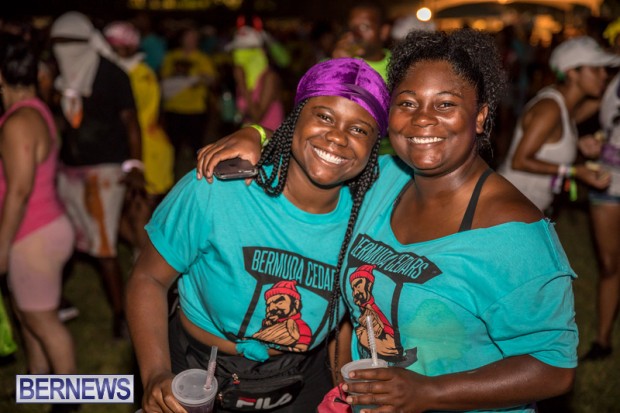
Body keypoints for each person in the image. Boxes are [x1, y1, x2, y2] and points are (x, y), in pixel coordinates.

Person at [198, 28, 580, 413]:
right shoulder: (383, 179)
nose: (423, 119)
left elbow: (553, 367)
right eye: (408, 103)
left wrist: (429, 392)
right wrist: (256, 133)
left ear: (479, 116)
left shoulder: (513, 234)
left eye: (445, 104)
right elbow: (323, 150)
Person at [125, 57, 390, 413]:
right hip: (198, 372)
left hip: (302, 379)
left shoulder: (369, 216)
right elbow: (148, 279)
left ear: (374, 147)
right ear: (295, 119)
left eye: (359, 129)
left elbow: (344, 316)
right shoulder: (218, 189)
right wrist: (156, 373)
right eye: (324, 117)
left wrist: (345, 388)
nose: (338, 137)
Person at [49, 11, 145, 339]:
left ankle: (122, 315)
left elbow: (131, 122)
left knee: (103, 246)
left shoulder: (111, 74)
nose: (63, 52)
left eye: (68, 44)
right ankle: (55, 299)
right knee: (66, 238)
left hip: (105, 170)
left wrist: (135, 166)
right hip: (70, 170)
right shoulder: (61, 78)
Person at [0, 43, 77, 392]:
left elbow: (19, 190)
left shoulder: (18, 123)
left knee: (42, 321)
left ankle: (69, 397)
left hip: (32, 233)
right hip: (42, 229)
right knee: (28, 313)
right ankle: (37, 379)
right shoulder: (37, 110)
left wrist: (3, 247)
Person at [498, 36, 620, 215]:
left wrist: (579, 145)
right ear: (572, 73)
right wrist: (574, 171)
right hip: (509, 208)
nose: (604, 74)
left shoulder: (566, 108)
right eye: (596, 69)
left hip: (527, 208)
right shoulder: (550, 108)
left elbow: (604, 98)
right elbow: (519, 161)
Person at [103, 20, 175, 258]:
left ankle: (148, 264)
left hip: (148, 151)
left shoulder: (140, 75)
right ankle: (148, 258)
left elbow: (127, 114)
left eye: (117, 45)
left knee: (140, 213)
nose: (112, 49)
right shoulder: (123, 72)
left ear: (131, 46)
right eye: (109, 44)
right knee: (121, 213)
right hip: (134, 149)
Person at [580, 19, 620, 361]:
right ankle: (603, 339)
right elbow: (568, 115)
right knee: (608, 264)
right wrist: (582, 141)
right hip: (607, 180)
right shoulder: (609, 83)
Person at [331, 2, 394, 156]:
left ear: (384, 31)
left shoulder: (401, 68)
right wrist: (338, 68)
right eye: (352, 28)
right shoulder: (331, 65)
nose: (356, 35)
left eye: (364, 27)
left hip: (390, 156)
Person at [160, 25, 217, 178]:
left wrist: (200, 79)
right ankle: (170, 177)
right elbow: (164, 78)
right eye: (189, 37)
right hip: (173, 107)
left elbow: (212, 80)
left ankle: (198, 176)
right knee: (173, 146)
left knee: (197, 146)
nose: (192, 40)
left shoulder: (202, 58)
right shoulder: (171, 57)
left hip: (195, 108)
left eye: (194, 37)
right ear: (182, 39)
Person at [225, 24, 284, 132]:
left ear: (262, 51)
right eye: (237, 50)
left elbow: (257, 117)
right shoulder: (247, 77)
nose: (239, 55)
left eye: (246, 50)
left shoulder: (269, 77)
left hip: (269, 140)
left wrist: (242, 85)